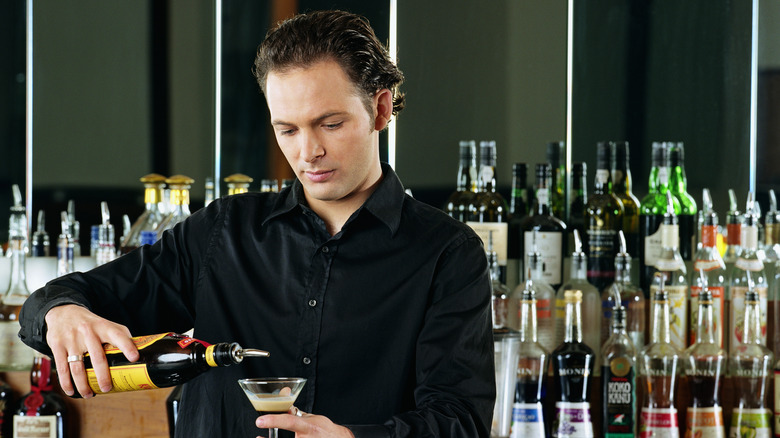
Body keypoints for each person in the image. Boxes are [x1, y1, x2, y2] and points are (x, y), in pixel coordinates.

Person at [19, 9, 494, 438]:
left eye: (330, 124)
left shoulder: (447, 253)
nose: (308, 152)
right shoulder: (221, 231)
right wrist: (61, 313)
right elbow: (59, 302)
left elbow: (460, 420)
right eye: (287, 129)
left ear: (381, 109)